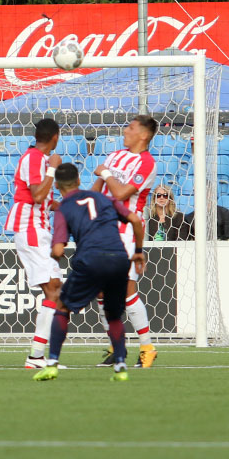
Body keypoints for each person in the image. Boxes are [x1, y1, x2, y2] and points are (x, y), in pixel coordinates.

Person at [32, 163, 146, 382]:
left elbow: (58, 248)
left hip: (91, 260)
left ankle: (52, 362)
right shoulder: (103, 198)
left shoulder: (64, 208)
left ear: (56, 185)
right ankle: (121, 366)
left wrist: (55, 256)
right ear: (77, 181)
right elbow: (134, 220)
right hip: (119, 258)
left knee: (62, 306)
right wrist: (139, 251)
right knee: (113, 314)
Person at [91, 115, 159, 368]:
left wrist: (106, 173)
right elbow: (97, 188)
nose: (125, 130)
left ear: (143, 135)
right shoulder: (116, 155)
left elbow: (121, 193)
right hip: (102, 228)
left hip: (126, 230)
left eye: (131, 128)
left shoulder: (146, 163)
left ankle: (147, 348)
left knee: (127, 291)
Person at [5, 118, 63, 369]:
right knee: (53, 290)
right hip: (29, 228)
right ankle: (36, 356)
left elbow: (43, 199)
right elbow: (37, 194)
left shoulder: (38, 160)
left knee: (55, 290)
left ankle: (37, 355)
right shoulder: (34, 159)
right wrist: (53, 168)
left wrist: (64, 207)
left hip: (38, 228)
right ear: (55, 138)